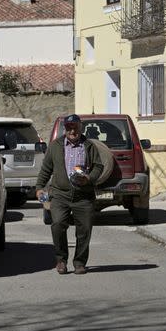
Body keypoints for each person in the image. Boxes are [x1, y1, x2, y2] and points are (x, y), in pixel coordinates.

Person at [36, 114, 104, 275]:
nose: (72, 130)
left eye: (75, 127)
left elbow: (98, 167)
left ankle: (79, 263)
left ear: (81, 127)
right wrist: (39, 187)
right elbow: (46, 169)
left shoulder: (88, 145)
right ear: (65, 129)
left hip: (84, 195)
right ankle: (61, 260)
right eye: (69, 127)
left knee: (85, 229)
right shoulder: (55, 146)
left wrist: (89, 178)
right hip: (60, 194)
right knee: (58, 224)